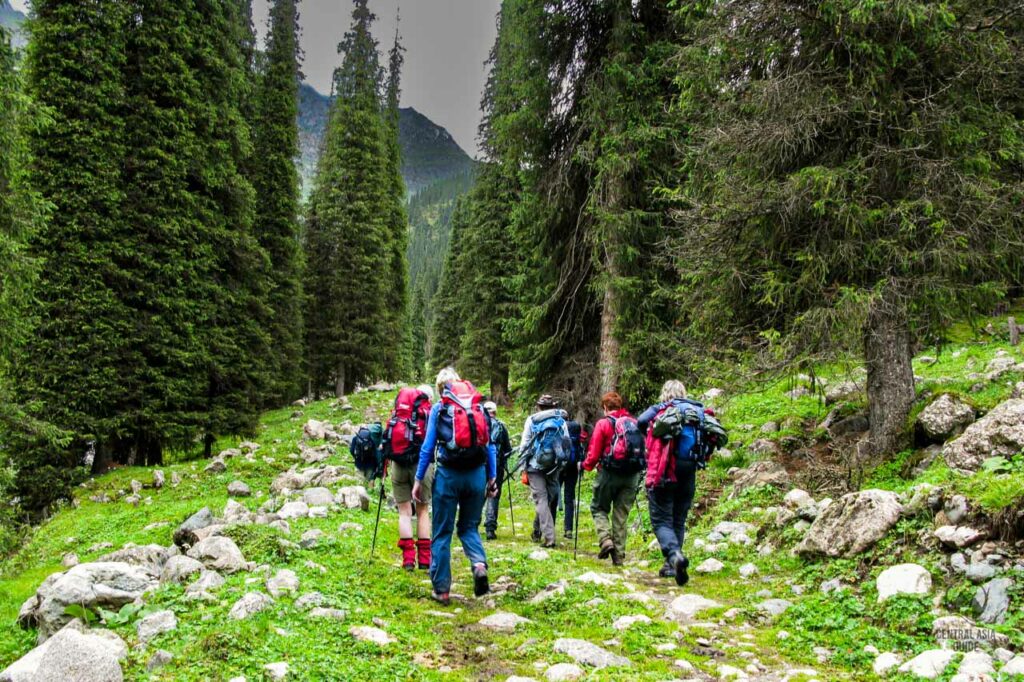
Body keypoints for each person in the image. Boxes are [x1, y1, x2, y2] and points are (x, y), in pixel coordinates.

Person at [412, 368, 498, 605]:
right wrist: (492, 478)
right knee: (469, 527)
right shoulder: (479, 408)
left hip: (448, 477)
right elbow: (490, 446)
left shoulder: (439, 409)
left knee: (442, 532)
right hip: (476, 475)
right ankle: (479, 564)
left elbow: (428, 448)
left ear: (441, 390)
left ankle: (442, 589)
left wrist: (418, 480)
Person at [636, 380, 707, 586]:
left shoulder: (662, 408)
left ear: (665, 393)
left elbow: (640, 421)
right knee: (678, 517)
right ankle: (671, 565)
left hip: (666, 468)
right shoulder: (696, 411)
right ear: (683, 392)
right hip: (690, 470)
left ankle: (674, 556)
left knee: (660, 520)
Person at [580, 392, 643, 566]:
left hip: (608, 474)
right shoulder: (634, 422)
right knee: (621, 515)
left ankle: (605, 539)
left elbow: (594, 453)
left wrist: (585, 466)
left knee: (598, 507)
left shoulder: (604, 423)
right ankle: (619, 556)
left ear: (605, 407)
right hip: (631, 475)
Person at [384, 385, 434, 570]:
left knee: (404, 512)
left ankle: (407, 560)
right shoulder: (428, 413)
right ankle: (424, 560)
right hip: (422, 465)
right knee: (422, 511)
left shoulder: (398, 413)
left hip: (398, 464)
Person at [520, 394, 571, 548]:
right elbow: (566, 443)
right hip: (554, 465)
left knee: (541, 500)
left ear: (539, 406)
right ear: (552, 406)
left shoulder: (532, 419)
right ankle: (539, 530)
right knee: (548, 498)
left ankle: (548, 537)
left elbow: (524, 444)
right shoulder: (560, 420)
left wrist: (523, 467)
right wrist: (562, 464)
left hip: (535, 465)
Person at [483, 401, 514, 540]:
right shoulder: (501, 426)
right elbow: (508, 449)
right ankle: (490, 528)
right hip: (497, 465)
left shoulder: (478, 424)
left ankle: (471, 524)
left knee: (478, 493)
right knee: (494, 494)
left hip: (479, 464)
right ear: (495, 412)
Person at [558, 420, 587, 539]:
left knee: (554, 496)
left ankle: (548, 527)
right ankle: (568, 529)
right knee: (569, 498)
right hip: (573, 467)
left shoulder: (561, 429)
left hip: (560, 467)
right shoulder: (577, 431)